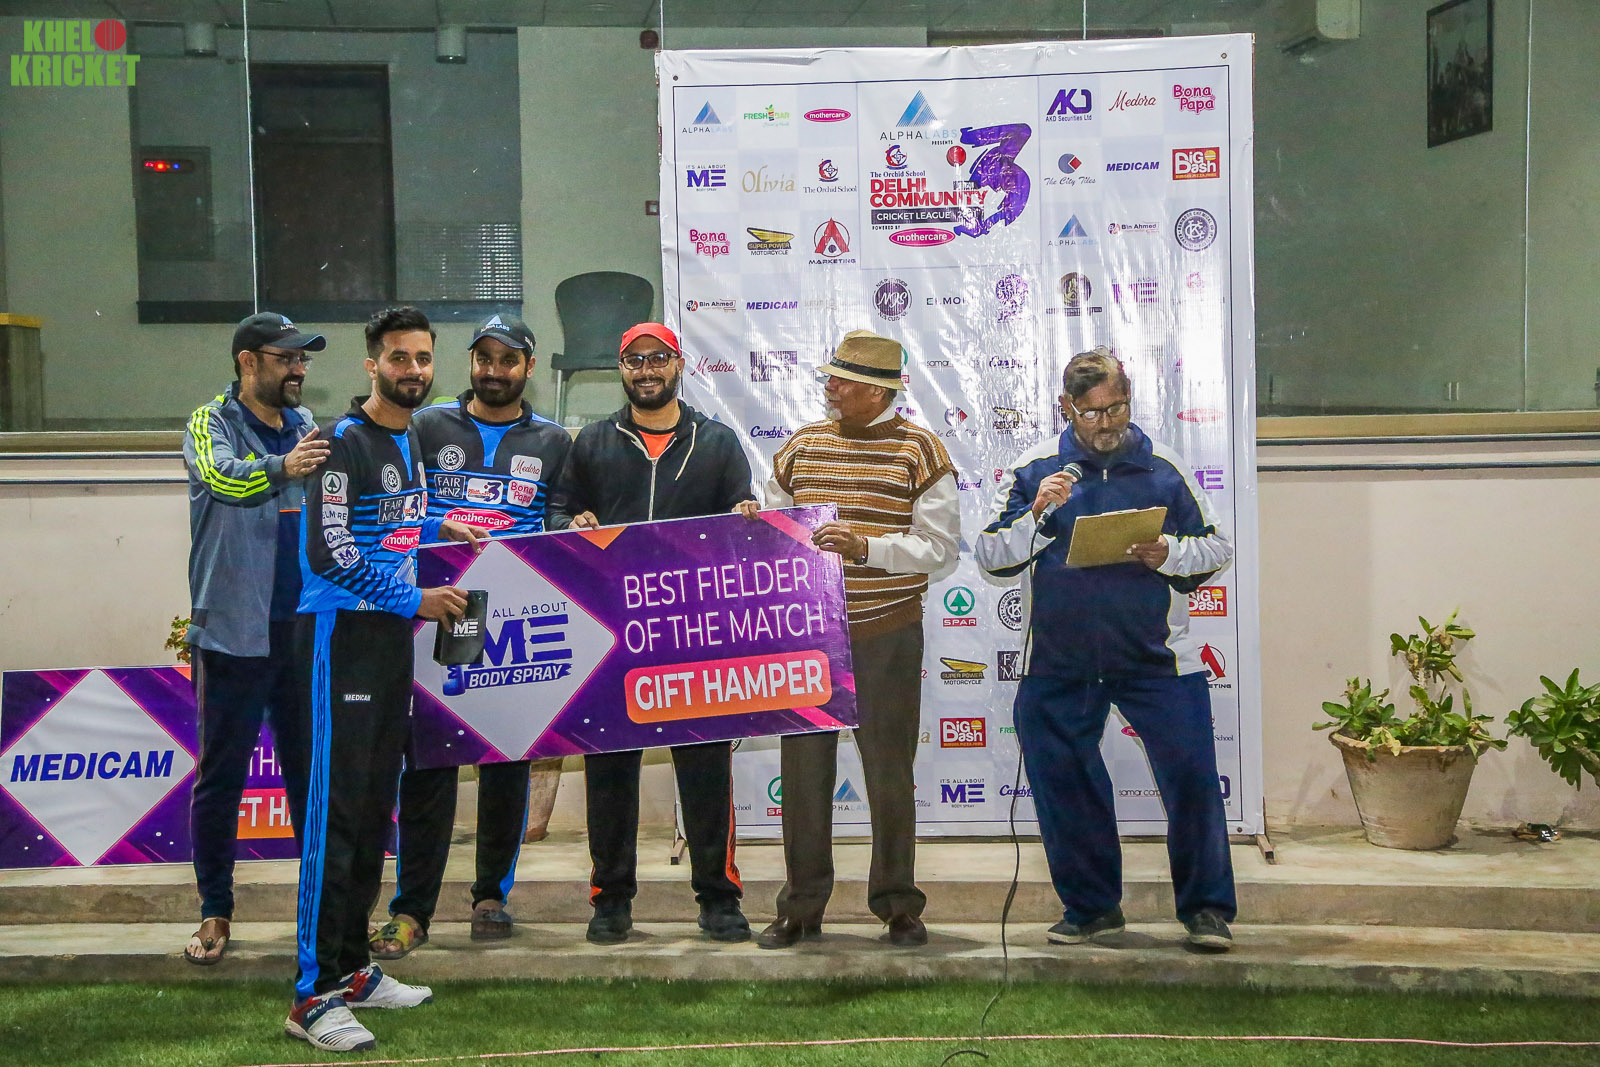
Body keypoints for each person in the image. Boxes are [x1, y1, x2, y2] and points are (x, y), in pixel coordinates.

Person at [975, 347, 1237, 952]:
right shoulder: (1035, 469)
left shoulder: (1164, 467)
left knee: (1193, 781)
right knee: (1065, 786)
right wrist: (1038, 514)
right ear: (1066, 408)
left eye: (1118, 408)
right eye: (1092, 413)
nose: (1107, 423)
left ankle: (1206, 911)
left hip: (1157, 659)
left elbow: (1216, 547)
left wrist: (1168, 553)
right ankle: (1092, 910)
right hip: (1059, 662)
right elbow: (990, 557)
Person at [286, 306, 489, 1053]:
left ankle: (351, 970)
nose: (413, 369)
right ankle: (311, 995)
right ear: (373, 364)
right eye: (399, 358)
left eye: (423, 357)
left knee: (374, 811)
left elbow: (390, 520)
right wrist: (415, 600)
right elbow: (331, 549)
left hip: (387, 643)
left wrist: (440, 526)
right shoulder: (340, 442)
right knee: (334, 817)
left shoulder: (411, 437)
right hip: (339, 638)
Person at [546, 321, 756, 945]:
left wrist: (746, 516)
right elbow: (556, 512)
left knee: (706, 769)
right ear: (621, 368)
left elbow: (743, 517)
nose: (646, 370)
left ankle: (718, 898)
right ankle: (611, 900)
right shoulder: (592, 442)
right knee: (610, 773)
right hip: (611, 634)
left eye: (657, 359)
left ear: (678, 365)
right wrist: (571, 522)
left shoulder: (716, 441)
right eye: (634, 360)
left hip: (694, 633)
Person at [373, 314, 572, 958]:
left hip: (512, 618)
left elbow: (559, 523)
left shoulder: (554, 441)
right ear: (470, 363)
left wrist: (575, 527)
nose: (494, 370)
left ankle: (492, 896)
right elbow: (395, 507)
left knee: (505, 763)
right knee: (427, 765)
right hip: (431, 612)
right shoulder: (427, 425)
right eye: (483, 358)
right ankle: (411, 909)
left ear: (529, 368)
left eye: (508, 360)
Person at [757, 329, 958, 950]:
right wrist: (755, 523)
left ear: (878, 392)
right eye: (831, 378)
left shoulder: (920, 450)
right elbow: (775, 524)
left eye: (842, 381)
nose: (831, 388)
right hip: (810, 634)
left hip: (886, 632)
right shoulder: (802, 446)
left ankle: (898, 905)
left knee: (889, 770)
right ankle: (801, 907)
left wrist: (866, 547)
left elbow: (942, 551)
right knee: (803, 772)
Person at [181, 311, 329, 965]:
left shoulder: (305, 424)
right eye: (286, 357)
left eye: (302, 359)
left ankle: (321, 911)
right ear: (248, 361)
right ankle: (215, 909)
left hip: (301, 633)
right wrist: (284, 465)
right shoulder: (209, 422)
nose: (299, 369)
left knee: (311, 780)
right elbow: (222, 478)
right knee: (221, 778)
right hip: (231, 633)